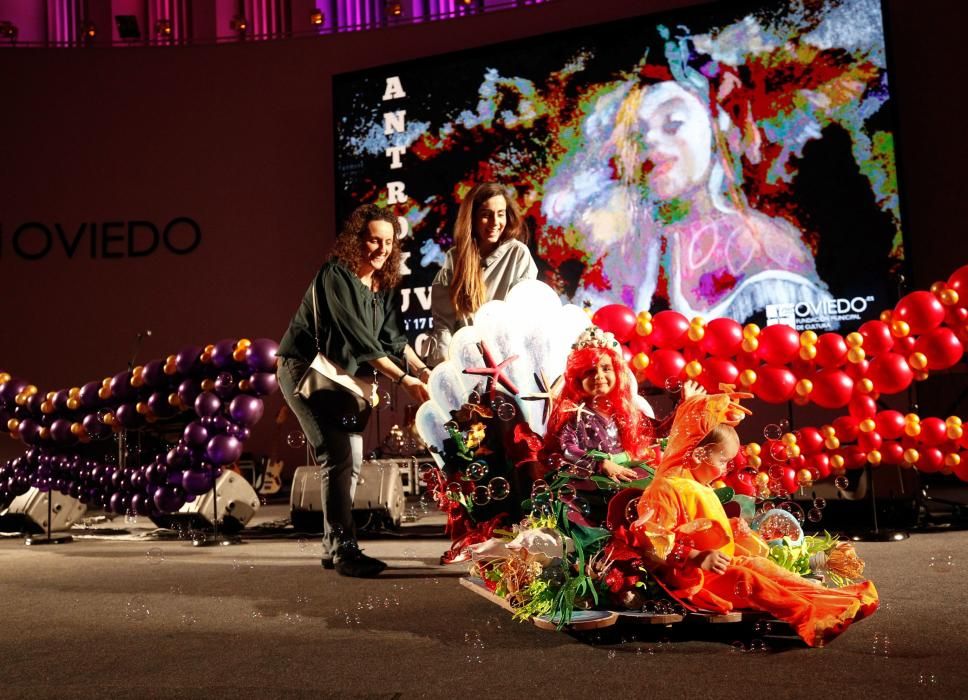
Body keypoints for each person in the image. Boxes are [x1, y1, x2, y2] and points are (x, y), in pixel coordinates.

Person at [542, 78, 833, 323]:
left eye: (673, 124)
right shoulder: (618, 257)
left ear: (715, 131)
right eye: (639, 133)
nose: (652, 140)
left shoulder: (759, 245)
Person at [627, 390, 878, 646]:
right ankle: (811, 617)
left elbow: (705, 529)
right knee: (747, 580)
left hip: (720, 563)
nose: (725, 468)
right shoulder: (666, 488)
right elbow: (653, 542)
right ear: (697, 454)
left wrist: (733, 530)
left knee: (762, 567)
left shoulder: (699, 485)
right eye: (722, 460)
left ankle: (830, 600)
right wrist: (697, 557)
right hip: (695, 577)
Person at [276, 205, 430, 577]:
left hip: (342, 379)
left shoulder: (383, 286)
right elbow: (360, 341)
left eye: (389, 242)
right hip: (303, 370)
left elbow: (393, 340)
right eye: (374, 239)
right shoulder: (335, 275)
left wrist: (425, 373)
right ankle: (345, 551)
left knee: (352, 457)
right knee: (337, 453)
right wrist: (403, 379)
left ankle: (333, 546)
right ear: (356, 240)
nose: (381, 248)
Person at [428, 182, 538, 365]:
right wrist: (443, 369)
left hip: (507, 361)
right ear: (471, 218)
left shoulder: (519, 253)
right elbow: (444, 325)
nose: (495, 223)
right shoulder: (454, 258)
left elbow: (521, 317)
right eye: (486, 215)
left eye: (500, 214)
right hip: (465, 363)